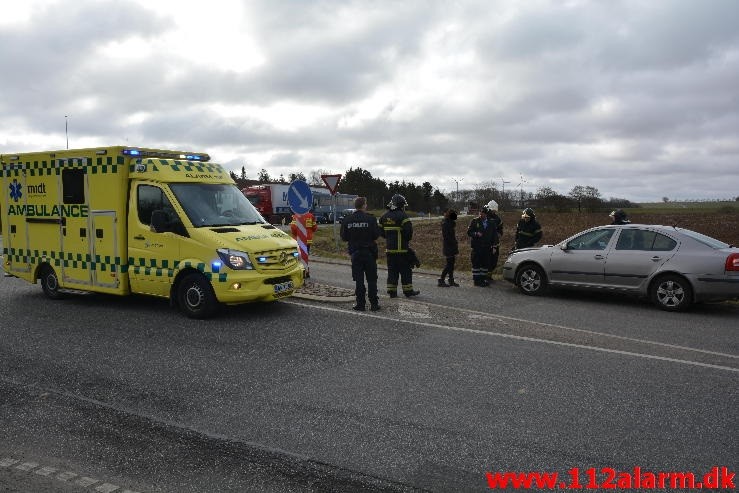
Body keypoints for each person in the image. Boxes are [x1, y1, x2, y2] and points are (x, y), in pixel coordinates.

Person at [340, 197, 381, 311]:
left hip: (355, 253)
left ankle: (360, 304)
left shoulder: (348, 220)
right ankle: (374, 304)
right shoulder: (371, 219)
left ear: (355, 206)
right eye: (366, 204)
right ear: (364, 205)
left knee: (359, 280)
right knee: (372, 279)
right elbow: (376, 235)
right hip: (369, 253)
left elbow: (344, 237)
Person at [379, 194, 419, 298]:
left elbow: (380, 232)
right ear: (401, 205)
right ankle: (408, 291)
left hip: (390, 251)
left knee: (392, 271)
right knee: (405, 271)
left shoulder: (384, 216)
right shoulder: (403, 216)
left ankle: (392, 291)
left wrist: (389, 237)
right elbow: (408, 233)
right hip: (402, 251)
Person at [467, 204, 499, 287]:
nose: (481, 215)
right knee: (476, 264)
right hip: (477, 247)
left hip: (487, 247)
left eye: (483, 213)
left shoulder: (491, 223)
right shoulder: (474, 221)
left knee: (485, 264)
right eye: (480, 213)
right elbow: (469, 232)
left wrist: (495, 246)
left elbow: (495, 236)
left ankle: (483, 279)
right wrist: (476, 233)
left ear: (486, 214)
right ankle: (476, 280)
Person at [438, 208, 460, 287]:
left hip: (452, 245)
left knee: (452, 264)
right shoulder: (446, 223)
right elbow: (447, 236)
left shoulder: (450, 223)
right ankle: (441, 280)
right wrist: (453, 242)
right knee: (449, 264)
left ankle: (451, 280)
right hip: (448, 246)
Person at [484, 200, 504, 281]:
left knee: (494, 260)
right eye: (493, 210)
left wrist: (499, 234)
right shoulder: (484, 217)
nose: (494, 212)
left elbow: (500, 229)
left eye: (495, 211)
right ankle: (484, 276)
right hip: (486, 243)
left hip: (495, 243)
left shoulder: (497, 218)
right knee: (486, 260)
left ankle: (489, 275)